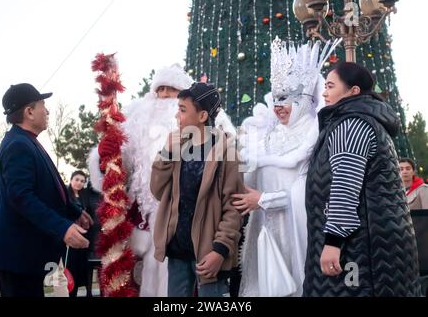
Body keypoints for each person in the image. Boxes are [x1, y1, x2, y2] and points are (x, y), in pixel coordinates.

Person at [89, 64, 235, 296]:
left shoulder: (218, 137)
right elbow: (121, 169)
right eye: (160, 90)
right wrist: (104, 157)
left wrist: (220, 245)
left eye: (172, 90)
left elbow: (230, 198)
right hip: (149, 226)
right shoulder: (137, 118)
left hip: (202, 237)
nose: (165, 96)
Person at [304, 62, 421, 296]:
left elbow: (345, 185)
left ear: (353, 91)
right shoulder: (362, 121)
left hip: (358, 248)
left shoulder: (351, 124)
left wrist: (333, 242)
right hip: (376, 245)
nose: (324, 92)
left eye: (330, 86)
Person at [234, 38, 334, 296]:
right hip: (264, 227)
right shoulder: (270, 134)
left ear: (303, 99)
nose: (278, 106)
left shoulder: (315, 135)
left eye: (286, 99)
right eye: (276, 98)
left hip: (296, 229)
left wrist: (265, 199)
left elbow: (310, 191)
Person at [0, 83, 92, 297]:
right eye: (43, 105)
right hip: (16, 255)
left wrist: (75, 212)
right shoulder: (18, 145)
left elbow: (48, 191)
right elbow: (22, 198)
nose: (47, 111)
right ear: (29, 111)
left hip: (25, 254)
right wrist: (63, 228)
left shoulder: (26, 141)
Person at [150, 82, 243, 297]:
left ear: (202, 116)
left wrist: (220, 250)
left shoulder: (227, 153)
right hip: (178, 251)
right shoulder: (177, 148)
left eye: (183, 110)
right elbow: (157, 190)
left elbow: (234, 207)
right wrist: (165, 153)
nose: (177, 116)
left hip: (209, 254)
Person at [66, 170, 93, 297]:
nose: (79, 183)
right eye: (77, 179)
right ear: (71, 179)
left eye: (82, 181)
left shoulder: (84, 197)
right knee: (69, 270)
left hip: (83, 236)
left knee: (79, 270)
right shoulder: (65, 195)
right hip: (69, 237)